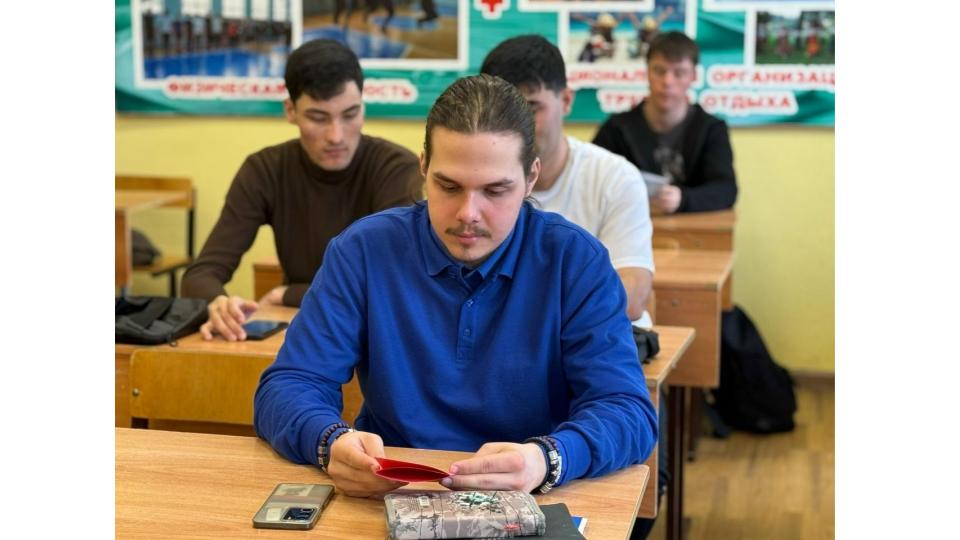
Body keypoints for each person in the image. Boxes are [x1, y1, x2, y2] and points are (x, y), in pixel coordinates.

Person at [254, 74, 658, 498]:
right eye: (448, 186)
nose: (469, 213)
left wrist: (546, 459)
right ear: (424, 167)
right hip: (389, 492)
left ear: (531, 178)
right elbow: (287, 386)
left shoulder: (575, 261)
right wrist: (328, 442)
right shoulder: (363, 251)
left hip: (530, 496)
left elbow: (627, 411)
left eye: (495, 190)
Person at [181, 39, 422, 341]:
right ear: (290, 110)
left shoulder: (396, 168)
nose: (336, 136)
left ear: (363, 106)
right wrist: (217, 304)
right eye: (318, 118)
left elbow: (387, 284)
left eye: (350, 114)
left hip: (376, 334)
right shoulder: (264, 170)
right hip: (302, 333)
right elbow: (200, 275)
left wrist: (289, 294)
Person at [480, 35, 654, 327]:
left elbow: (632, 295)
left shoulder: (615, 178)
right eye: (503, 111)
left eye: (532, 108)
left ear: (566, 101)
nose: (517, 127)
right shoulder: (472, 182)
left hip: (596, 341)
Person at [593, 31, 738, 213]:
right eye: (659, 71)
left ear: (693, 76)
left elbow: (726, 190)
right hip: (631, 224)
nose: (667, 81)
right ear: (647, 71)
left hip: (695, 227)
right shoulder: (616, 129)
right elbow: (591, 179)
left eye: (679, 73)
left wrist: (683, 199)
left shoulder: (711, 129)